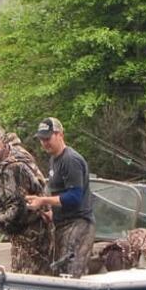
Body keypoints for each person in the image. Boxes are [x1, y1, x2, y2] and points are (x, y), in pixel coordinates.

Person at [0, 125, 53, 275]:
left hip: (32, 232)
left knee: (28, 278)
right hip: (18, 232)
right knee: (20, 274)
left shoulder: (13, 167)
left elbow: (18, 205)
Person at [25, 117, 95, 277]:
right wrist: (51, 213)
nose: (44, 143)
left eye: (48, 138)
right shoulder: (54, 159)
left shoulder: (71, 160)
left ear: (60, 135)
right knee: (58, 271)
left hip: (79, 225)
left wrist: (42, 200)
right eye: (41, 139)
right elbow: (59, 193)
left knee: (71, 274)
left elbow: (74, 197)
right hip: (62, 224)